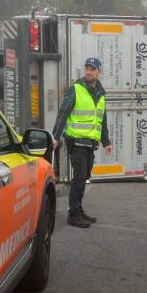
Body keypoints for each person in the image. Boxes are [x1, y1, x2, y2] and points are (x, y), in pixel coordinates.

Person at [52, 57, 114, 228]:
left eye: (93, 69)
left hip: (90, 144)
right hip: (77, 142)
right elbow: (63, 113)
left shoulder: (100, 94)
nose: (89, 71)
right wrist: (55, 137)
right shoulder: (76, 89)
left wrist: (106, 141)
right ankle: (73, 214)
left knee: (84, 176)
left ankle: (78, 210)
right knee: (79, 177)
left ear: (99, 72)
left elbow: (102, 120)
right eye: (87, 68)